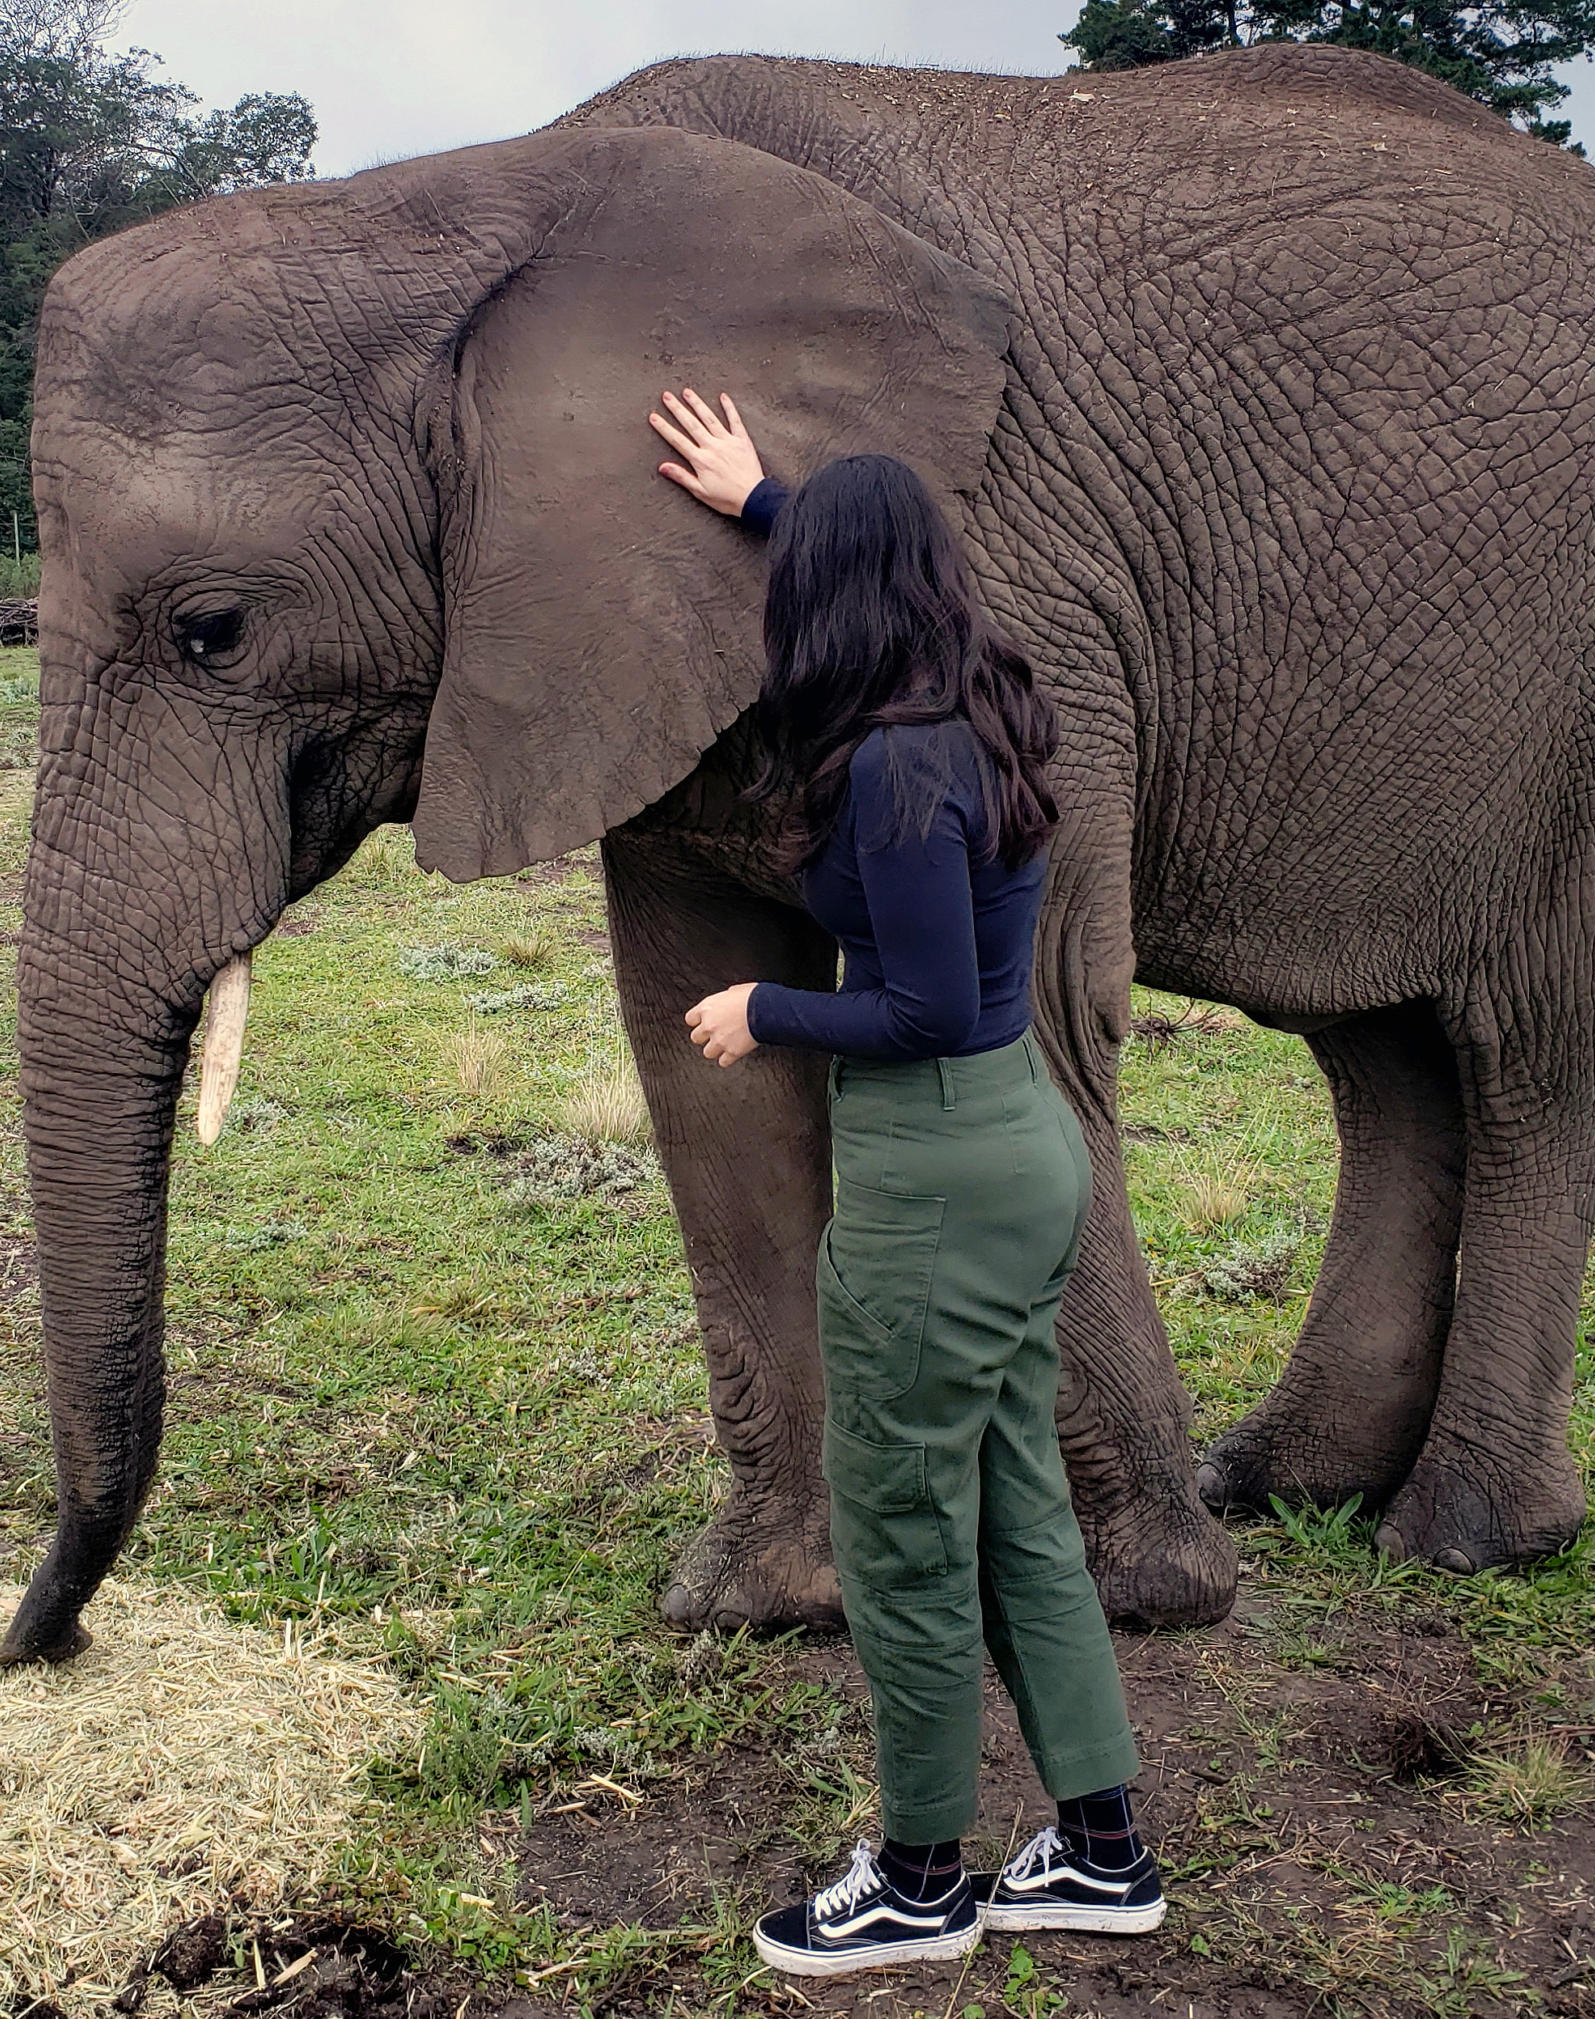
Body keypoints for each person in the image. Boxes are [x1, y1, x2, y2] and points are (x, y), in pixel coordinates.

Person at [648, 388, 1167, 1980]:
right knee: (1019, 1515)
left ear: (838, 607)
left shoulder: (896, 768)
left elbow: (925, 1003)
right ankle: (1099, 1854)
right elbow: (869, 560)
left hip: (934, 1166)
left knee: (898, 1530)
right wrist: (768, 500)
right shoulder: (974, 697)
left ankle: (925, 1880)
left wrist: (768, 1008)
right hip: (1011, 1144)